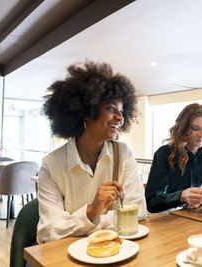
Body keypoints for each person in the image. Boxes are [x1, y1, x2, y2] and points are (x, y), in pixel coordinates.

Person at [37, 61, 147, 243]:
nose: (120, 118)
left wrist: (83, 222)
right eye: (111, 109)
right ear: (86, 111)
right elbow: (47, 233)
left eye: (121, 111)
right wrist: (91, 211)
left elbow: (139, 211)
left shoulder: (123, 153)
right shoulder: (51, 165)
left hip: (112, 250)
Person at [145, 103, 202, 213]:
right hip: (164, 217)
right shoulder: (164, 154)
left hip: (191, 216)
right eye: (195, 128)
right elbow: (151, 202)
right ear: (183, 128)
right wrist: (181, 196)